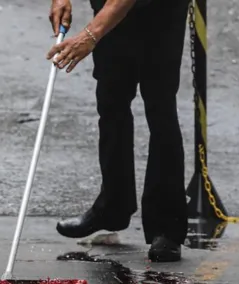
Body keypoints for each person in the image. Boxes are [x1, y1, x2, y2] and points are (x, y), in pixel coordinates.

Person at [46, 0, 190, 262]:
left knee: (160, 108)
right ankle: (112, 208)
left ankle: (167, 227)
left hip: (160, 12)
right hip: (109, 9)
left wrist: (90, 34)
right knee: (111, 101)